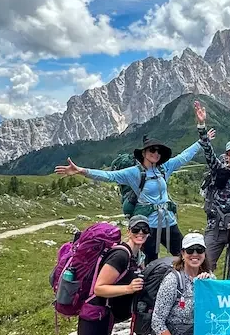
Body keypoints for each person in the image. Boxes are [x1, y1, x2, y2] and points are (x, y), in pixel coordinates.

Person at [54, 104, 214, 261]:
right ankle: (149, 287)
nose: (156, 154)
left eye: (159, 151)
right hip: (147, 226)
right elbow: (109, 176)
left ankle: (185, 285)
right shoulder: (134, 173)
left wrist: (201, 132)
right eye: (152, 150)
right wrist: (81, 171)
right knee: (150, 262)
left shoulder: (164, 168)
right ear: (144, 153)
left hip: (169, 221)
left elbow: (185, 156)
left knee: (183, 256)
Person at [195, 101, 230, 280]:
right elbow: (208, 151)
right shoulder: (220, 170)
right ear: (226, 155)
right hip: (215, 227)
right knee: (204, 267)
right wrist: (202, 126)